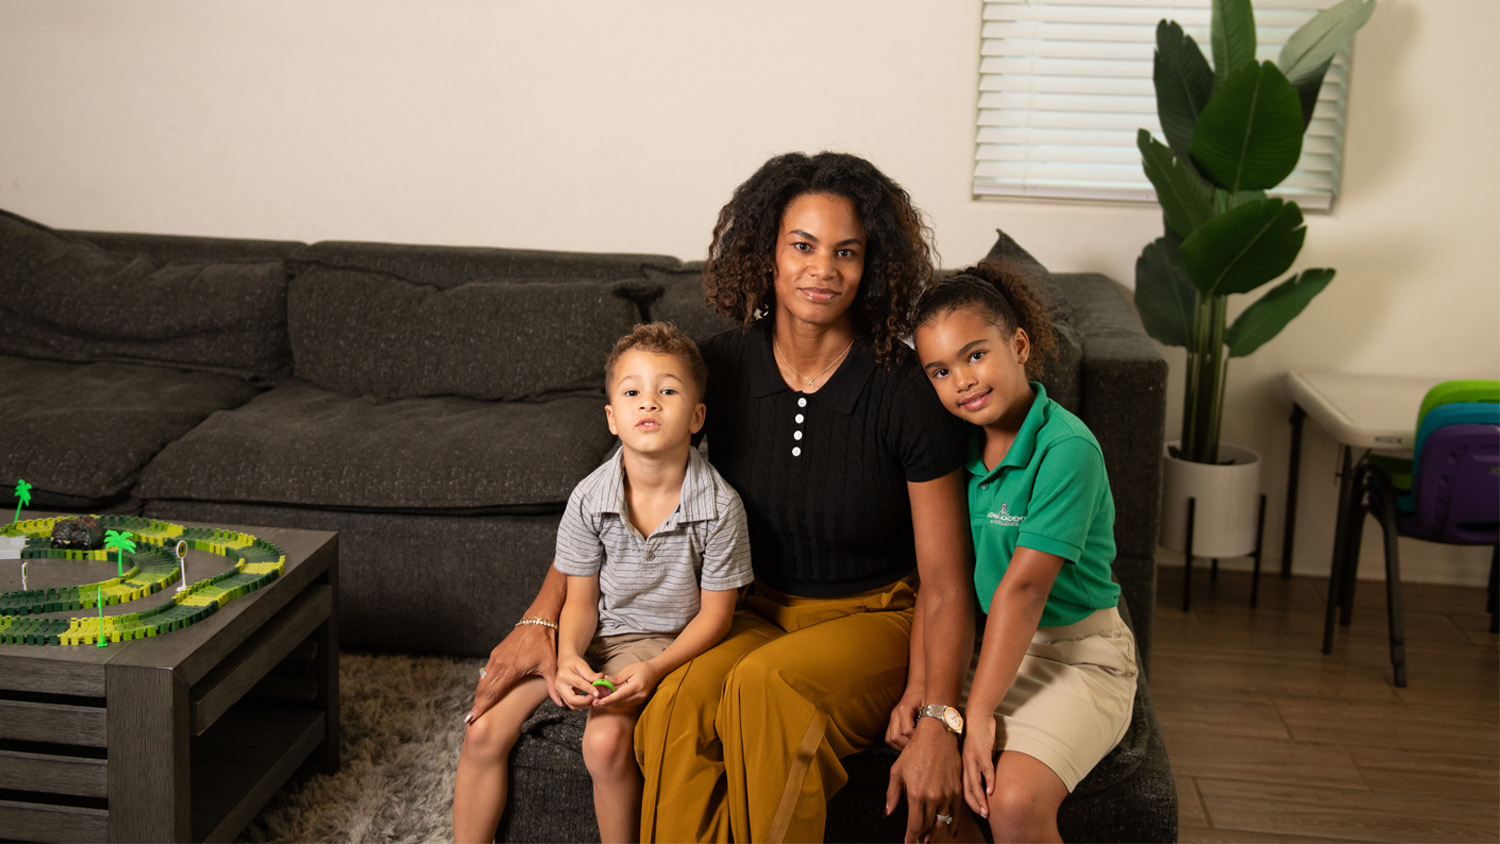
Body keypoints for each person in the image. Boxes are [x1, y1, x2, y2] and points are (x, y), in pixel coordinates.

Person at [464, 151, 974, 844]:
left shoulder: (905, 391)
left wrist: (941, 713)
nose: (822, 269)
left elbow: (946, 583)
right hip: (750, 607)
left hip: (875, 616)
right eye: (802, 246)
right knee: (674, 707)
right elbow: (615, 499)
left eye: (846, 252)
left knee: (766, 688)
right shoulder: (718, 369)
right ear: (766, 253)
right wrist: (540, 618)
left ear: (872, 265)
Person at [452, 322, 753, 844]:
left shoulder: (721, 508)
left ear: (697, 417)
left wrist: (656, 669)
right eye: (633, 392)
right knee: (482, 730)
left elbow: (717, 616)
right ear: (613, 419)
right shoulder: (589, 498)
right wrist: (568, 655)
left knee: (605, 744)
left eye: (668, 390)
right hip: (593, 632)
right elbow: (580, 599)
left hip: (664, 643)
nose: (650, 403)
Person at [910, 262, 1139, 844]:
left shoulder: (1067, 449)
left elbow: (1024, 589)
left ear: (1018, 344)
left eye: (975, 355)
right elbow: (940, 582)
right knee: (933, 795)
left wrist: (978, 713)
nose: (962, 380)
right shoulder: (948, 448)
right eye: (940, 370)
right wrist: (924, 693)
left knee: (1010, 802)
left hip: (1076, 655)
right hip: (988, 647)